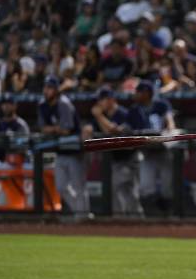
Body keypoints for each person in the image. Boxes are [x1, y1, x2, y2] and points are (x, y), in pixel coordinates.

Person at [37, 76, 90, 219]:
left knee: (79, 186)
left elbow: (66, 129)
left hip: (74, 150)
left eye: (50, 88)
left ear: (56, 90)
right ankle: (81, 213)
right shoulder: (43, 105)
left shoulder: (64, 104)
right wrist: (55, 129)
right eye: (46, 88)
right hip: (60, 152)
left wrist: (52, 129)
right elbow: (42, 128)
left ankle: (84, 217)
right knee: (60, 187)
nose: (47, 91)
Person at [91, 87, 143, 216]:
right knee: (127, 192)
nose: (99, 103)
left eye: (102, 100)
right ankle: (133, 220)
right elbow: (95, 130)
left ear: (111, 100)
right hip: (117, 159)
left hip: (130, 158)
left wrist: (98, 115)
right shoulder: (104, 116)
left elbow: (113, 131)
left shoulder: (123, 114)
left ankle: (124, 219)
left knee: (118, 188)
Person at [127, 80, 175, 214]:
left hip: (163, 150)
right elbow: (129, 129)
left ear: (147, 93)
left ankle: (170, 217)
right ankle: (153, 219)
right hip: (146, 152)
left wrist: (169, 131)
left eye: (139, 92)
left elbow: (170, 122)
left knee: (167, 188)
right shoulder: (134, 109)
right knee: (146, 188)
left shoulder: (161, 104)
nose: (136, 95)